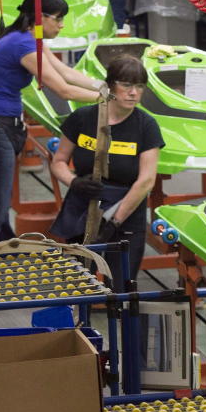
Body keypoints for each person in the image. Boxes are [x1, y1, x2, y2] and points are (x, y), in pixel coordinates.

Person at [0, 0, 103, 246]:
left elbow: (66, 73)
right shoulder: (23, 45)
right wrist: (108, 99)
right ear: (40, 17)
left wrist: (104, 85)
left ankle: (2, 251)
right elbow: (62, 89)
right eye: (58, 19)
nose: (61, 25)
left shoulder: (29, 38)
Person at [49, 54, 160, 281]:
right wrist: (74, 182)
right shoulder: (82, 118)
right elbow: (58, 162)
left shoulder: (146, 125)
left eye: (139, 86)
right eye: (126, 85)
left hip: (126, 211)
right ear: (109, 86)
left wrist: (114, 222)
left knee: (123, 287)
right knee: (77, 283)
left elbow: (146, 181)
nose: (133, 93)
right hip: (83, 204)